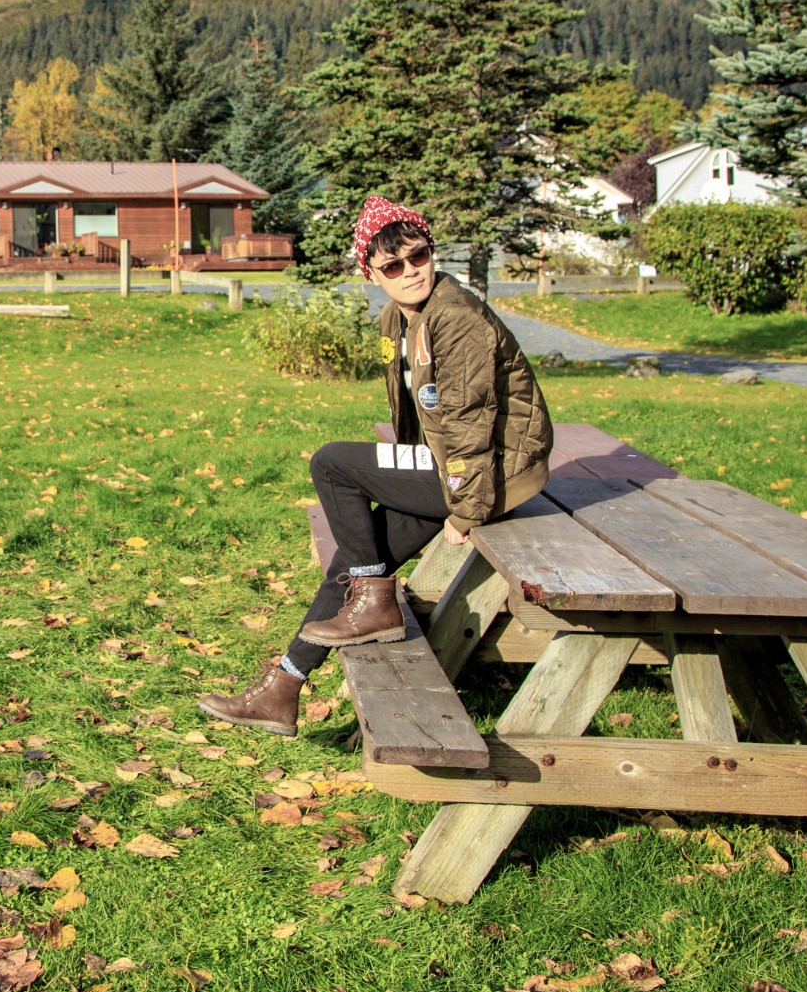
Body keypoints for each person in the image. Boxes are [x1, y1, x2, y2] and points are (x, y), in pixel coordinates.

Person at [196, 195, 554, 737]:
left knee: (332, 463)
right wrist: (404, 482)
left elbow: (470, 424)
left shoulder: (455, 318)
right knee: (354, 560)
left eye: (419, 257)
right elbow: (419, 414)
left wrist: (465, 511)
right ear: (371, 273)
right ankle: (283, 687)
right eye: (393, 266)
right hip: (450, 469)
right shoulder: (398, 317)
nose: (410, 272)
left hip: (489, 476)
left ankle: (369, 603)